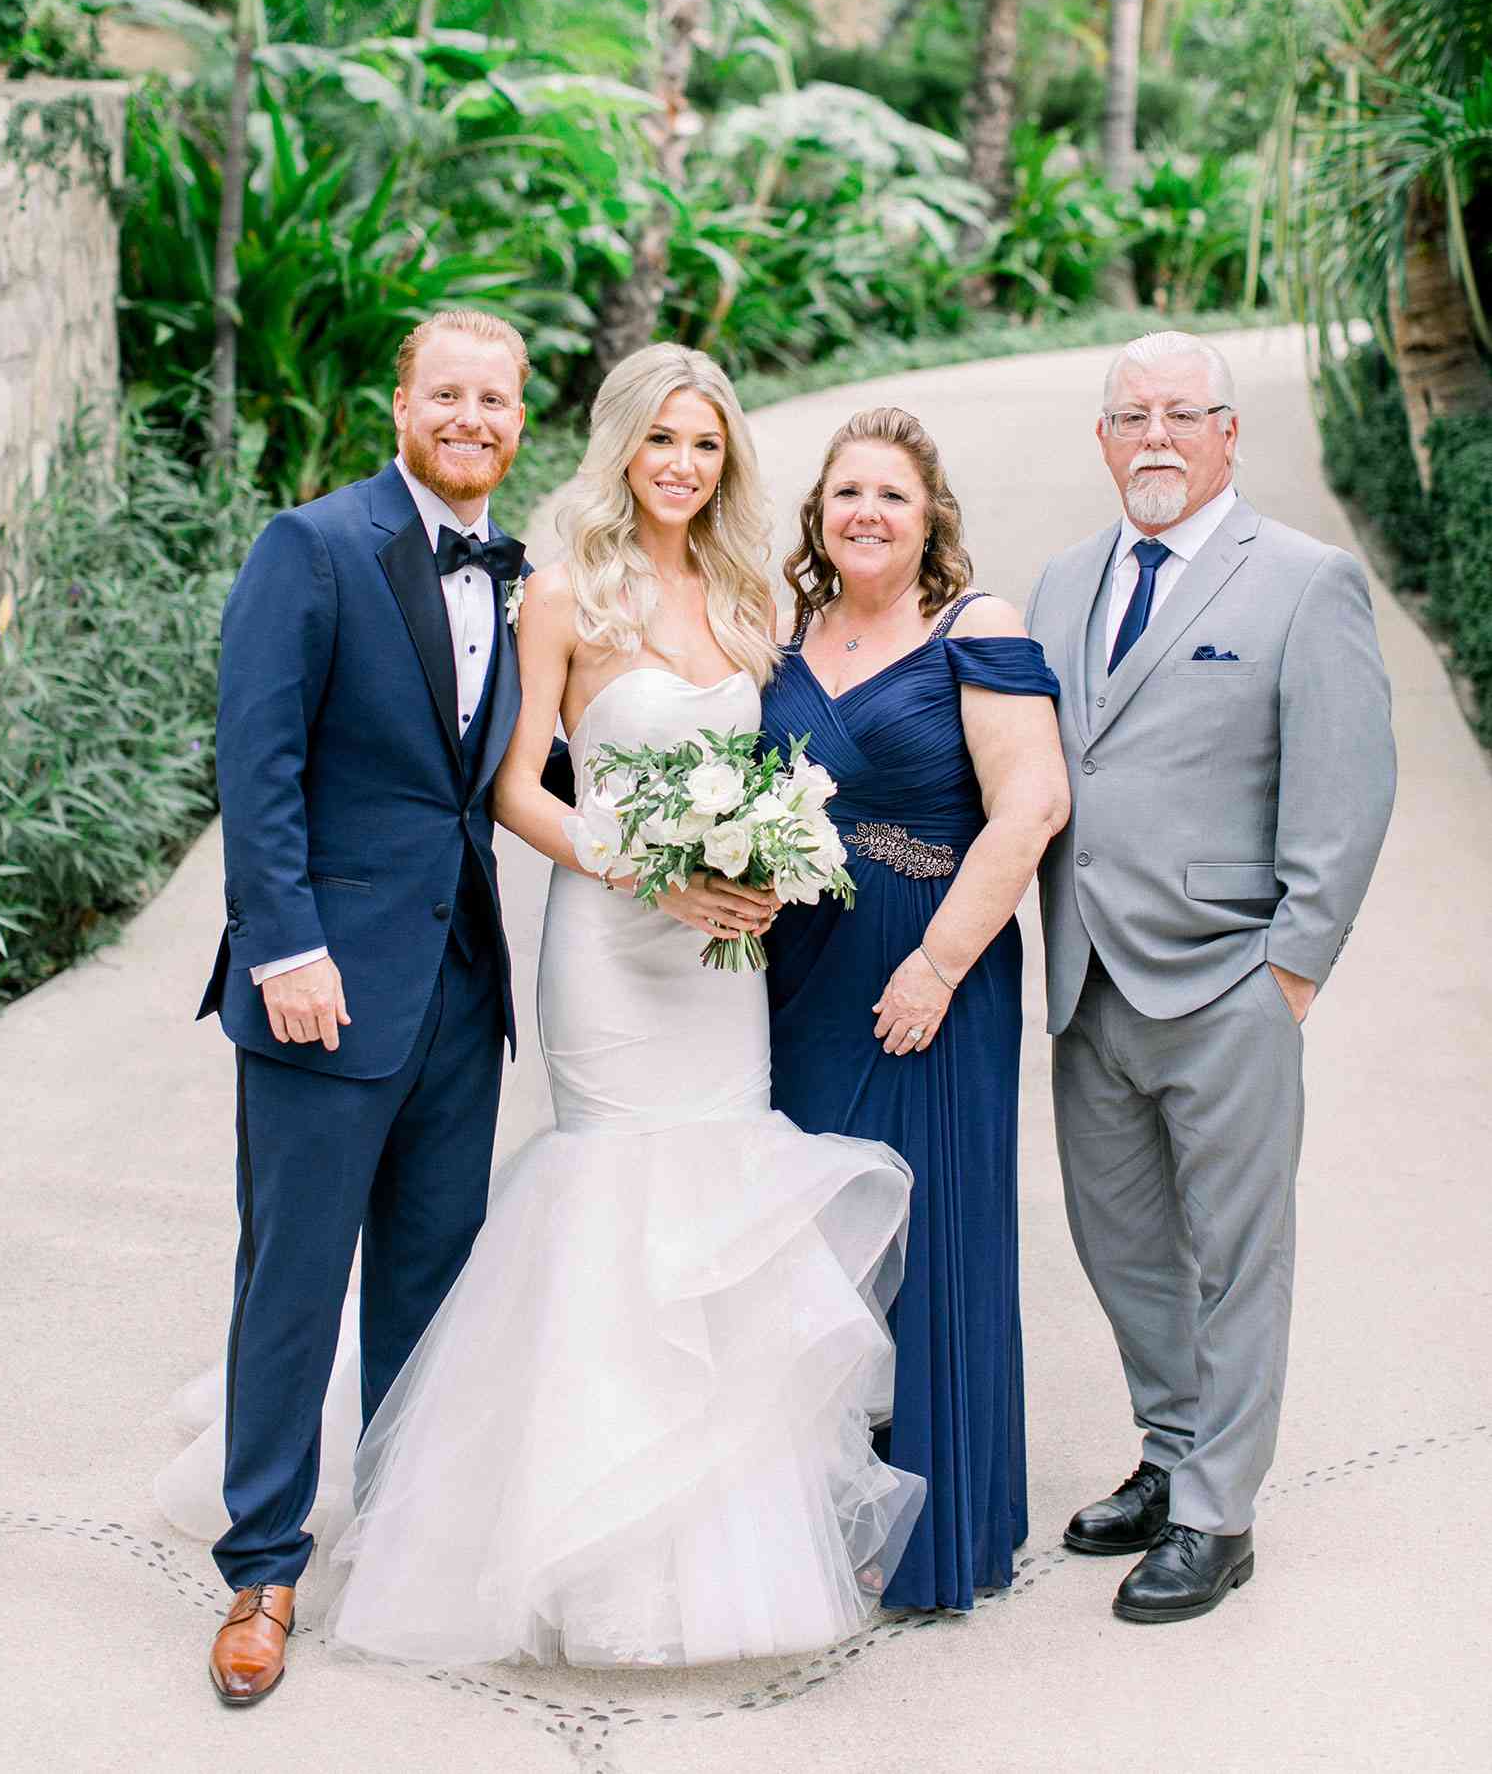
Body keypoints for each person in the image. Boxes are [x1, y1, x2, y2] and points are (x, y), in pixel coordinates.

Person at [320, 344, 923, 1668]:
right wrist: (647, 867)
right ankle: (578, 1555)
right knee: (613, 1213)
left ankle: (720, 1558)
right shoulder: (562, 587)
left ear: (727, 462)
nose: (683, 467)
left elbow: (776, 762)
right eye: (663, 442)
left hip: (722, 968)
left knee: (715, 1211)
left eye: (706, 446)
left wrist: (764, 866)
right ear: (621, 447)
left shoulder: (745, 587)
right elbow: (517, 787)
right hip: (610, 946)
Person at [193, 308, 537, 1706]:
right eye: (446, 392)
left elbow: (498, 775)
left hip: (461, 990)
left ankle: (398, 1543)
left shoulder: (517, 574)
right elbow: (256, 758)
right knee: (292, 1285)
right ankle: (263, 1567)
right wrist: (285, 946)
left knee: (430, 1286)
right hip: (322, 988)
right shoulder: (315, 547)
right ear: (399, 403)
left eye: (495, 397)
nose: (471, 417)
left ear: (521, 417)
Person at [1026, 329, 1396, 1625]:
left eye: (1185, 413)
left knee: (1239, 1259)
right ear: (1104, 438)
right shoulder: (1062, 585)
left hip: (1229, 982)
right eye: (1133, 415)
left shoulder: (1303, 582)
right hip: (1089, 990)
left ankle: (1217, 1515)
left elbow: (1347, 795)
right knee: (1122, 1247)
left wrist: (1287, 974)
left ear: (1229, 432)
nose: (1158, 437)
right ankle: (1169, 1450)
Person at [758, 406, 1069, 1613]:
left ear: (931, 511)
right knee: (814, 1242)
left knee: (926, 1234)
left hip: (931, 968)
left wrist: (938, 964)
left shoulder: (973, 628)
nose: (867, 513)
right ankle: (818, 1515)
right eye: (846, 493)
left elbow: (1032, 801)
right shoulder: (789, 635)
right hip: (802, 969)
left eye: (891, 492)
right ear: (817, 517)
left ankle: (938, 1531)